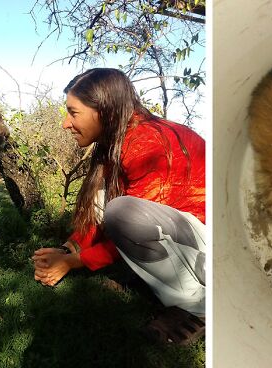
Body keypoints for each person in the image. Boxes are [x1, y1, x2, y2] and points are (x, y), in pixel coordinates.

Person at [31, 68, 206, 345]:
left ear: (104, 110)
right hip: (189, 235)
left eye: (73, 113)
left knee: (122, 212)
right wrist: (69, 249)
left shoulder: (147, 143)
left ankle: (198, 306)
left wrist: (73, 263)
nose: (66, 123)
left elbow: (129, 225)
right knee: (109, 198)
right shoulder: (119, 140)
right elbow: (99, 208)